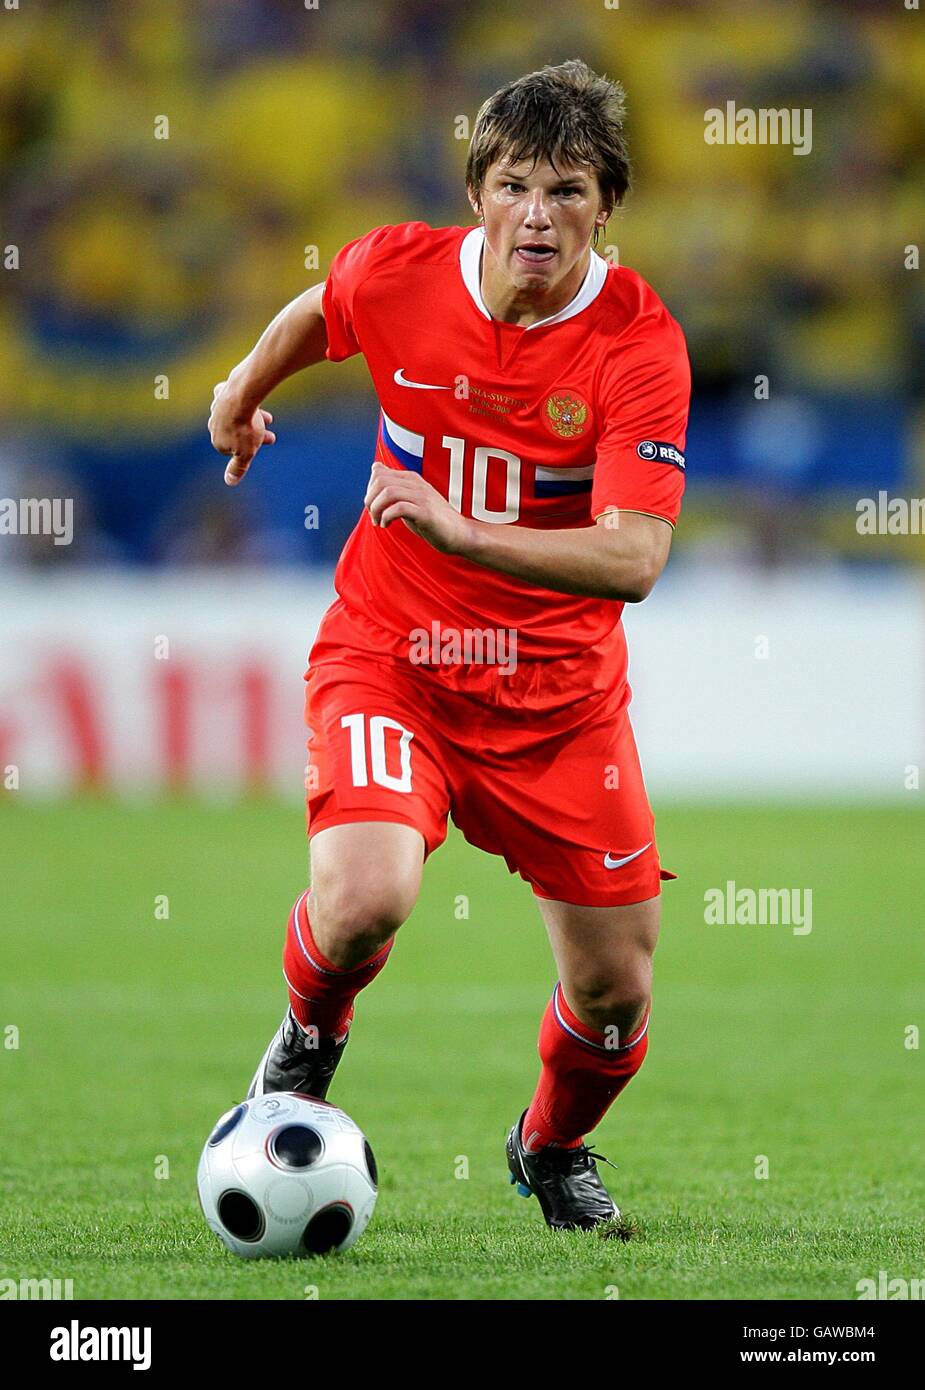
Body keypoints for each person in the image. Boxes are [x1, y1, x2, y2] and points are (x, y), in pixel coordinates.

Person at [208, 60, 690, 1232]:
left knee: (615, 990)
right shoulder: (402, 270)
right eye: (514, 183)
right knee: (367, 892)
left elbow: (632, 558)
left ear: (604, 209)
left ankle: (550, 1143)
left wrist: (459, 527)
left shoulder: (636, 345)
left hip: (558, 703)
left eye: (567, 189)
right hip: (395, 653)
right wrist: (241, 384)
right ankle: (309, 1038)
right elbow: (325, 309)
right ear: (476, 191)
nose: (538, 212)